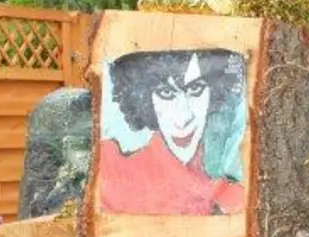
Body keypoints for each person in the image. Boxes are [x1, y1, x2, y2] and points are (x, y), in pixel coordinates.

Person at [98, 49, 247, 215]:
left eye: (196, 89)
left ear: (214, 92)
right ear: (144, 97)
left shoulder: (231, 182)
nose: (183, 119)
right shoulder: (116, 175)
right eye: (166, 93)